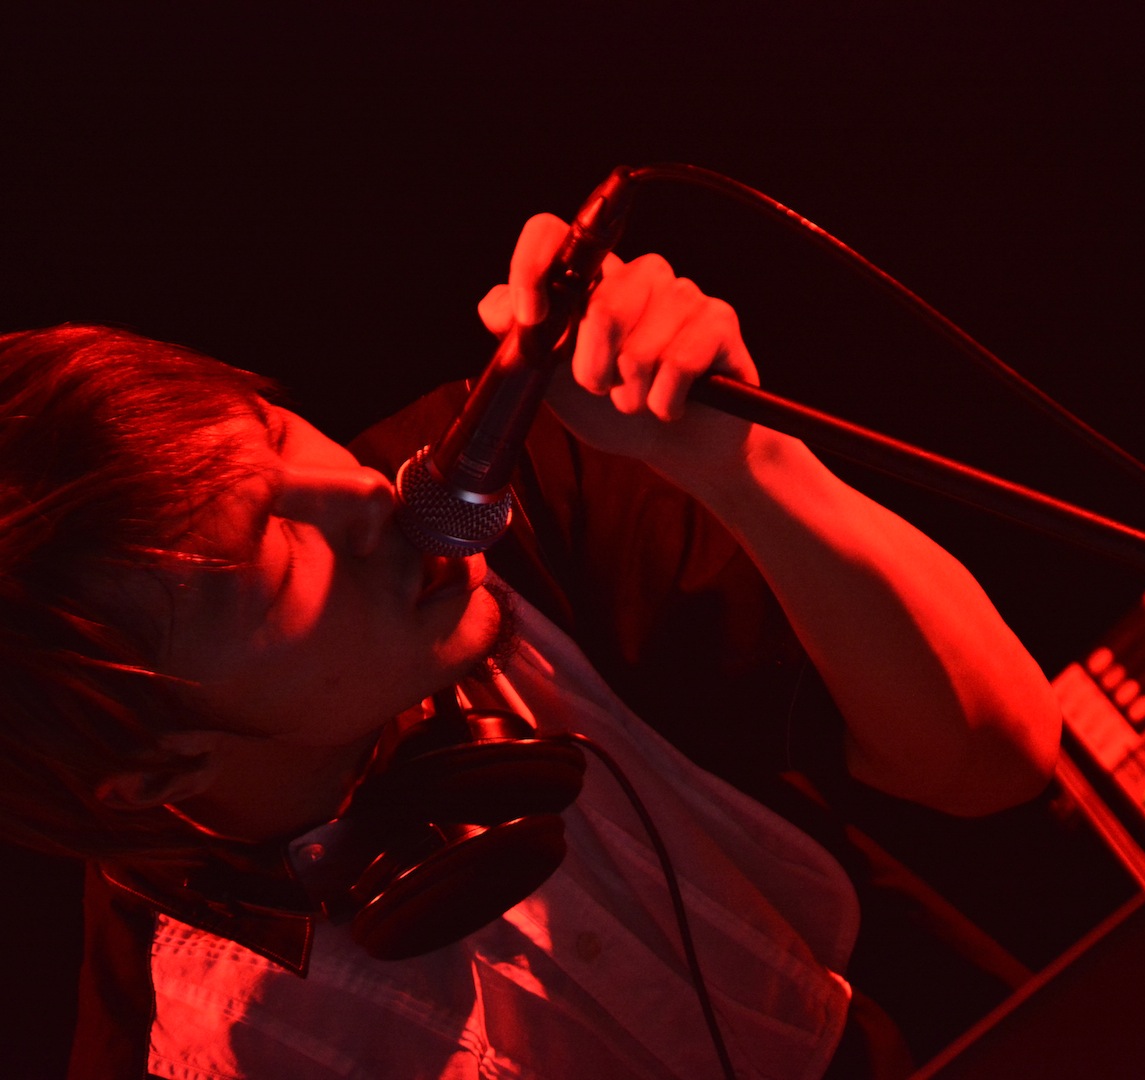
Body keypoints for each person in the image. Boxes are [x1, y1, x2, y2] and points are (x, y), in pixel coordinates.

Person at [3, 213, 1061, 1078]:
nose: (366, 491)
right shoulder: (185, 1047)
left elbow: (993, 763)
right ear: (156, 770)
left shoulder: (518, 492)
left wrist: (745, 466)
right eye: (271, 558)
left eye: (276, 430)